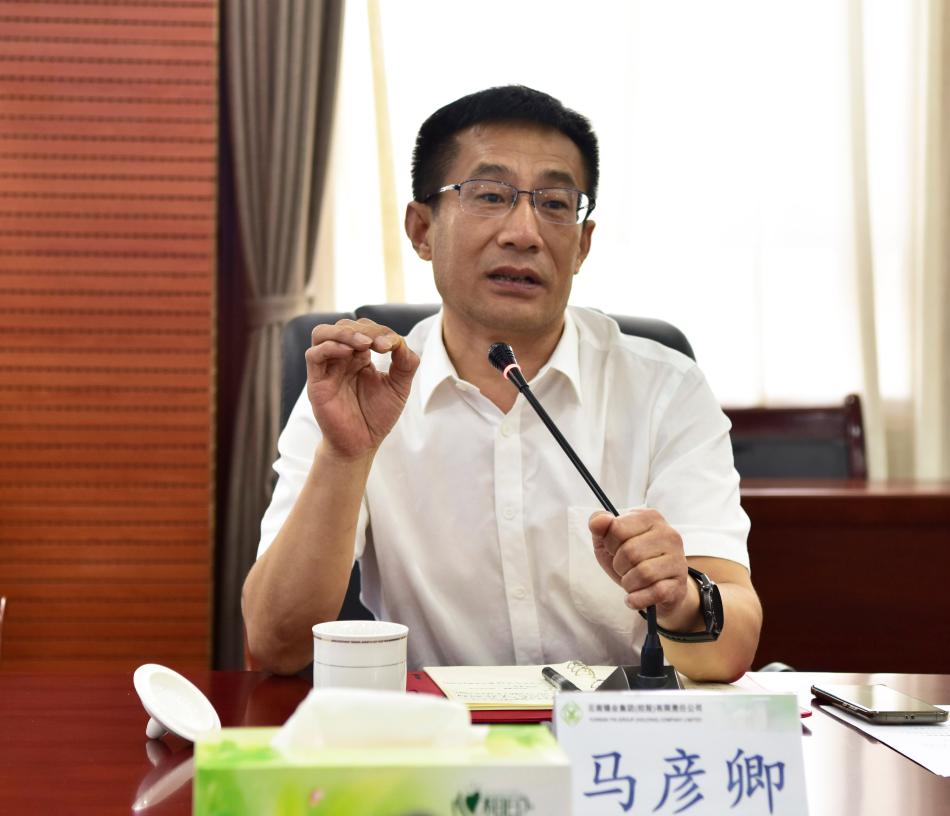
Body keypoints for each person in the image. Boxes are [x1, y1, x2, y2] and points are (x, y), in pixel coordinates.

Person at [243, 85, 762, 681]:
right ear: (421, 229)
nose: (524, 232)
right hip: (437, 732)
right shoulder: (358, 390)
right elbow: (275, 644)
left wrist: (682, 598)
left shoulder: (663, 388)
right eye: (490, 196)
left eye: (555, 204)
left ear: (582, 245)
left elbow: (733, 646)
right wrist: (344, 456)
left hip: (616, 731)